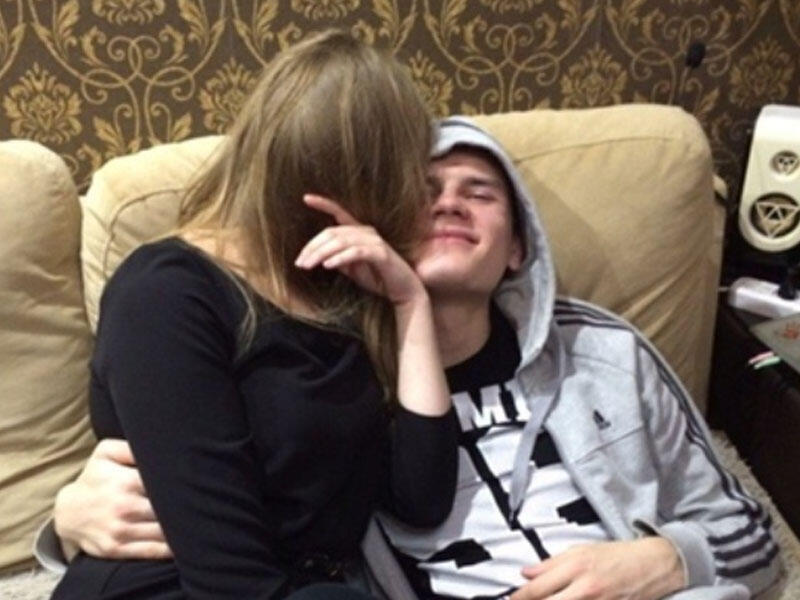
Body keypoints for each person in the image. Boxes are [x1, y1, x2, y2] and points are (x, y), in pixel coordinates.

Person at [42, 118, 782, 599]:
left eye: (480, 193)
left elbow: (754, 535)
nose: (449, 204)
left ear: (519, 248)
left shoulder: (605, 352)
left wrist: (662, 561)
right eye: (422, 193)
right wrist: (68, 520)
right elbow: (221, 491)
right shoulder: (331, 380)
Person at [47, 30, 457, 600]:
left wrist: (411, 305)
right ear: (358, 177)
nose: (422, 202)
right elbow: (228, 580)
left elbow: (422, 499)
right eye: (410, 176)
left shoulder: (345, 291)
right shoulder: (165, 296)